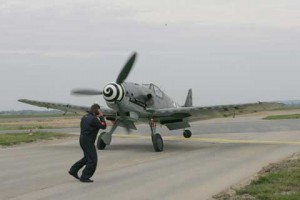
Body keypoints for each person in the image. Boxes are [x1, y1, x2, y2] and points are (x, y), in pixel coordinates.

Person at [69, 104, 107, 183]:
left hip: (82, 139)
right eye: (99, 110)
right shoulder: (94, 119)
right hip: (88, 141)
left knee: (87, 158)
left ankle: (73, 170)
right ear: (96, 110)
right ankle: (85, 177)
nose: (100, 111)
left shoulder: (84, 117)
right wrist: (101, 117)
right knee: (93, 160)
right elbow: (103, 126)